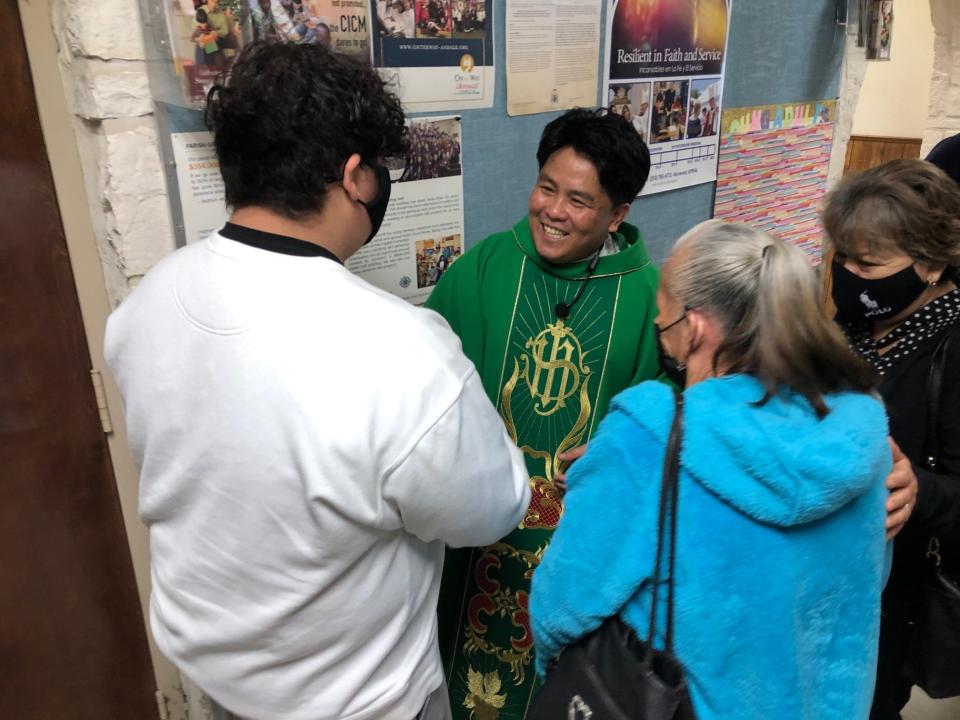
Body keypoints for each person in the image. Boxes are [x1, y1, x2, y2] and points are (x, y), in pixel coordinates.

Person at [104, 41, 530, 720]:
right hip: (363, 703)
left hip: (222, 691)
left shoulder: (144, 304)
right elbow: (490, 508)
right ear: (356, 176)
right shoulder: (402, 352)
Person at [531, 220, 892, 719]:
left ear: (694, 326)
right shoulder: (860, 425)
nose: (661, 332)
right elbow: (869, 580)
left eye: (662, 319)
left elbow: (562, 611)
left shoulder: (648, 435)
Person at [425, 107, 659, 718]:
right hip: (477, 536)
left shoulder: (645, 298)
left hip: (577, 539)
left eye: (579, 200)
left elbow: (661, 419)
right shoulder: (482, 268)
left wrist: (617, 448)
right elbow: (424, 388)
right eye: (546, 188)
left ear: (618, 213)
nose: (553, 211)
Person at [823, 159, 960, 718]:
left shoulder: (952, 349)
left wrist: (919, 490)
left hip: (892, 600)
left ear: (929, 262)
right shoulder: (846, 328)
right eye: (844, 257)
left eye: (869, 262)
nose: (850, 274)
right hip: (819, 577)